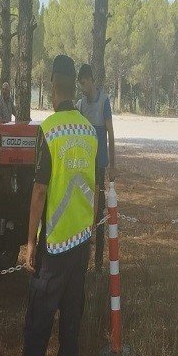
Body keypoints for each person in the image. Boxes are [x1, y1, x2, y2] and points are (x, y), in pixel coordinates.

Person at [0, 55, 97, 356]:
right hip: (81, 245)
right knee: (70, 326)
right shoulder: (89, 132)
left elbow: (39, 190)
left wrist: (29, 242)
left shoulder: (50, 130)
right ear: (74, 86)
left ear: (54, 88)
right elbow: (93, 184)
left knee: (38, 324)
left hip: (54, 247)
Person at [76, 64, 116, 271]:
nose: (82, 88)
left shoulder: (104, 101)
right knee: (84, 210)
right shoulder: (81, 105)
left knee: (99, 213)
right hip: (84, 166)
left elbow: (110, 134)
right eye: (80, 84)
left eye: (84, 83)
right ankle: (82, 259)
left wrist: (113, 164)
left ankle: (99, 263)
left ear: (90, 79)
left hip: (99, 165)